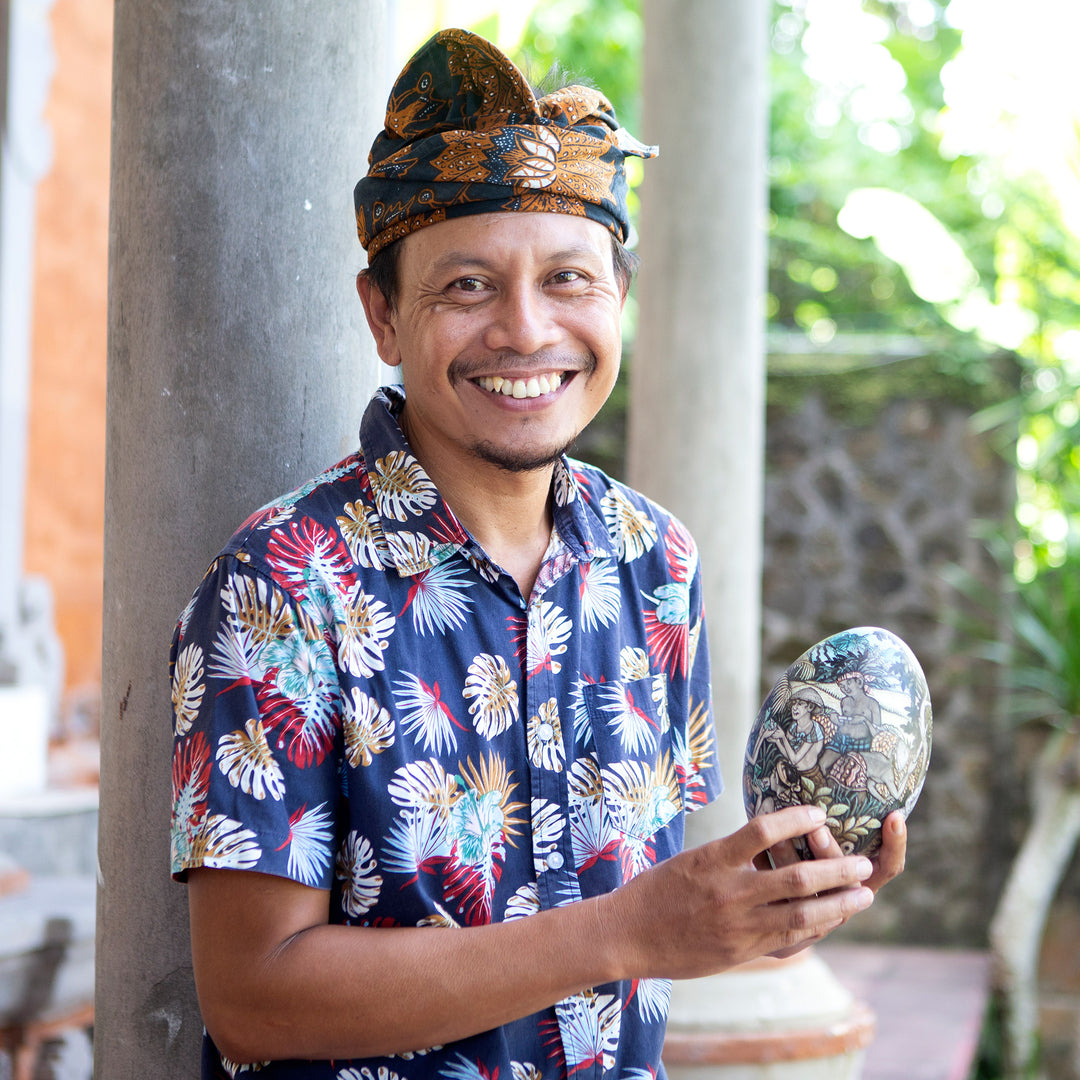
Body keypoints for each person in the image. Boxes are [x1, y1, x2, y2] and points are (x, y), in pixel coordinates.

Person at [169, 28, 906, 1080]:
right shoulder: (280, 581)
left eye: (568, 278)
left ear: (619, 297)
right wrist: (634, 930)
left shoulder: (658, 563)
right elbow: (254, 1001)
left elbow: (650, 921)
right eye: (466, 287)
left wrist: (763, 903)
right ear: (382, 314)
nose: (525, 331)